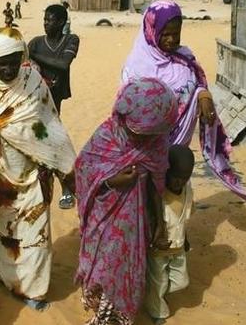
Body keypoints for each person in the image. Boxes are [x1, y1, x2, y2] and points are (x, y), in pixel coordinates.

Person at [0, 27, 76, 311]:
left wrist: (63, 170)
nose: (9, 68)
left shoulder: (33, 81)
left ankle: (32, 290)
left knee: (36, 237)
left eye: (15, 60)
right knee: (3, 234)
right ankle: (9, 277)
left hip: (34, 176)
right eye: (2, 62)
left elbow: (51, 127)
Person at [122, 0, 246, 202]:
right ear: (150, 31)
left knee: (176, 195)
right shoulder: (137, 67)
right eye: (165, 34)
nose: (172, 40)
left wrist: (204, 96)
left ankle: (177, 232)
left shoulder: (184, 57)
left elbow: (197, 83)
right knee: (148, 201)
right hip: (147, 152)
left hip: (178, 148)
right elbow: (129, 111)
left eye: (176, 33)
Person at [74, 77, 179, 325]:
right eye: (139, 133)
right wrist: (112, 181)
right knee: (105, 265)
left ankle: (110, 317)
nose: (145, 140)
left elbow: (157, 184)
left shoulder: (158, 142)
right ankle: (103, 310)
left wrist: (159, 224)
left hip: (136, 222)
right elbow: (83, 169)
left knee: (123, 268)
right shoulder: (106, 136)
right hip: (104, 217)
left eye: (152, 134)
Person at [28, 4, 80, 209]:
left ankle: (66, 187)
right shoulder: (36, 42)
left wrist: (33, 55)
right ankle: (58, 186)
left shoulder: (70, 40)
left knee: (53, 141)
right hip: (35, 105)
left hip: (53, 105)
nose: (45, 24)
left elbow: (63, 65)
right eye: (44, 20)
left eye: (50, 20)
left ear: (60, 22)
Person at [144, 145, 194, 324]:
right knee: (159, 281)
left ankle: (153, 293)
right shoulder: (159, 196)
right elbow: (151, 222)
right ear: (166, 171)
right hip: (158, 250)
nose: (179, 182)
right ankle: (157, 311)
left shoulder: (187, 191)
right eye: (176, 177)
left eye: (184, 178)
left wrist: (186, 238)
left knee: (182, 281)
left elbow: (184, 219)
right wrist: (153, 240)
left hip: (178, 247)